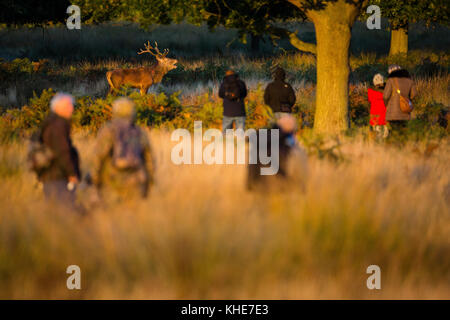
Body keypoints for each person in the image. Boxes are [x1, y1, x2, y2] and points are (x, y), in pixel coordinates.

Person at [91, 97, 155, 203]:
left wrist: (95, 182)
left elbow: (98, 157)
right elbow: (150, 161)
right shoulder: (139, 131)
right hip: (136, 182)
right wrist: (149, 184)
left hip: (113, 182)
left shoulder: (108, 130)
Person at [37, 93, 81, 206]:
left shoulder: (49, 122)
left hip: (49, 175)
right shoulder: (58, 125)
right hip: (58, 177)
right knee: (65, 210)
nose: (72, 108)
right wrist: (71, 174)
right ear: (58, 108)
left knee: (54, 211)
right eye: (68, 106)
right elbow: (63, 152)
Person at [247, 114, 307, 192]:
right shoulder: (282, 136)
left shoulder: (286, 137)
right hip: (273, 161)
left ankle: (254, 185)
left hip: (273, 162)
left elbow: (250, 138)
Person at [383, 64, 417, 140]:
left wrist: (386, 105)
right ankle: (403, 146)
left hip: (392, 113)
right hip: (405, 111)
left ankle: (394, 147)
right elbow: (414, 94)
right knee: (403, 131)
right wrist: (407, 100)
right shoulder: (410, 81)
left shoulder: (390, 81)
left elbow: (385, 96)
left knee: (394, 131)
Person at [218, 70, 247, 134]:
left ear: (226, 75)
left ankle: (227, 143)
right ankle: (239, 143)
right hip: (240, 111)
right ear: (235, 74)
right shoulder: (241, 83)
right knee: (240, 134)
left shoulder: (223, 84)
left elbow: (220, 95)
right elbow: (245, 94)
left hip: (227, 112)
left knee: (226, 134)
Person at [368, 73, 388, 140]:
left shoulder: (370, 91)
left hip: (375, 113)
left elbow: (370, 100)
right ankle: (383, 142)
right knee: (385, 132)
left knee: (376, 131)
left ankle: (377, 144)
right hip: (384, 113)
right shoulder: (386, 90)